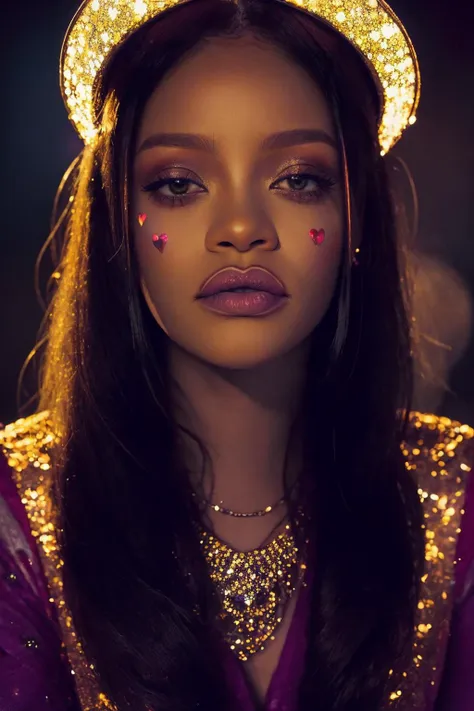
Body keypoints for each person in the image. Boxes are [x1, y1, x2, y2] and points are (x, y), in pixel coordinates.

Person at [0, 0, 473, 709]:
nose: (243, 228)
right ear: (117, 218)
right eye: (180, 184)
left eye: (297, 179)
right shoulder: (20, 516)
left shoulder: (454, 503)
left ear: (354, 214)